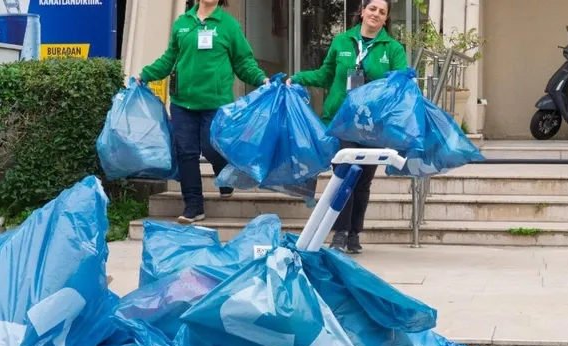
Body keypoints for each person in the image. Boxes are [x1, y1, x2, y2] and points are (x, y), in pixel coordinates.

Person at [289, 0, 407, 254]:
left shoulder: (393, 48)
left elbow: (398, 86)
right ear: (362, 11)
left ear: (386, 19)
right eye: (372, 8)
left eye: (382, 12)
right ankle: (340, 232)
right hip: (340, 120)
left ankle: (355, 234)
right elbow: (324, 75)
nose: (376, 14)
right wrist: (296, 78)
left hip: (371, 125)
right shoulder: (342, 41)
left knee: (363, 181)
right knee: (345, 175)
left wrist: (403, 78)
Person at [140, 0, 269, 224]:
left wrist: (261, 79)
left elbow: (243, 62)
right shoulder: (182, 23)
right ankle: (193, 205)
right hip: (182, 103)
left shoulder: (228, 25)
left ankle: (225, 175)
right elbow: (169, 58)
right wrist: (146, 74)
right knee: (186, 153)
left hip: (215, 103)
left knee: (211, 148)